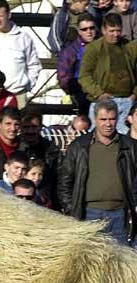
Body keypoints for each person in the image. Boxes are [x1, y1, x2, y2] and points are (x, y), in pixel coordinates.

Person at [57, 98, 137, 246]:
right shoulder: (79, 146)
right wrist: (71, 209)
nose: (108, 124)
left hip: (120, 215)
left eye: (112, 119)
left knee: (120, 264)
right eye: (103, 119)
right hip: (89, 214)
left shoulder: (130, 147)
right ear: (95, 119)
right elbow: (65, 181)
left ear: (118, 119)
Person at [79, 12, 137, 134]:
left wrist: (134, 95)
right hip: (102, 101)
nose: (115, 34)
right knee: (99, 136)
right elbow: (84, 76)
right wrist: (99, 93)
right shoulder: (94, 48)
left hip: (127, 101)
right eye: (112, 31)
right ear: (104, 30)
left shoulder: (131, 47)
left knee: (127, 139)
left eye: (118, 30)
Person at [56, 13, 97, 114]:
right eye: (84, 29)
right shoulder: (71, 50)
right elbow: (63, 75)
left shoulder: (105, 46)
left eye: (91, 28)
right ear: (79, 31)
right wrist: (73, 90)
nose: (89, 32)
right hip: (81, 92)